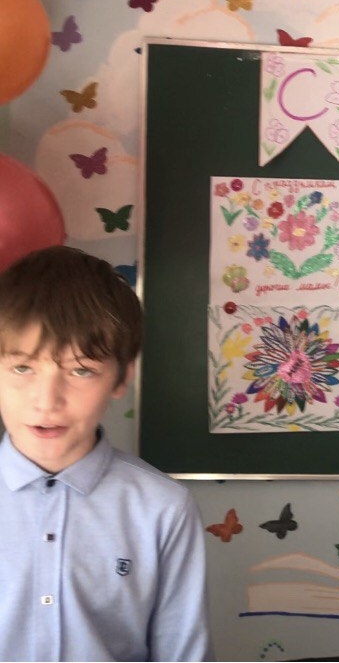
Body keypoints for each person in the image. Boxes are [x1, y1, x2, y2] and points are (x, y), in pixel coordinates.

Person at [0, 246, 213, 661]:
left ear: (120, 379)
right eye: (22, 367)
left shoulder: (163, 509)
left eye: (81, 370)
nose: (47, 401)